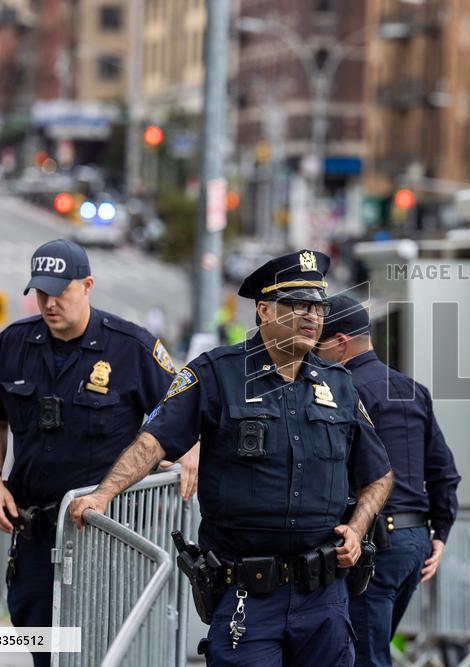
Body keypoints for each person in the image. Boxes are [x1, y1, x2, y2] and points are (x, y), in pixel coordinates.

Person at [68, 249, 394, 666]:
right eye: (296, 304)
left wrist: (356, 526)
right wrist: (103, 494)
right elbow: (155, 441)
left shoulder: (339, 385)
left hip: (323, 599)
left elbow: (379, 475)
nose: (311, 316)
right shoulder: (216, 374)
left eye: (318, 306)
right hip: (248, 595)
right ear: (263, 310)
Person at [0, 239, 192, 667]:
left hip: (103, 538)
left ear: (87, 285)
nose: (50, 303)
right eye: (41, 293)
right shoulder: (13, 343)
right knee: (41, 648)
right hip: (35, 532)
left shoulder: (130, 346)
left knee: (97, 649)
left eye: (61, 292)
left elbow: (181, 412)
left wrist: (191, 453)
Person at [316, 294, 461, 667]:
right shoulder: (414, 390)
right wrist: (440, 534)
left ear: (341, 342)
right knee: (369, 650)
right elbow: (444, 471)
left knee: (363, 657)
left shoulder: (343, 391)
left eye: (319, 345)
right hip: (414, 543)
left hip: (373, 543)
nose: (313, 356)